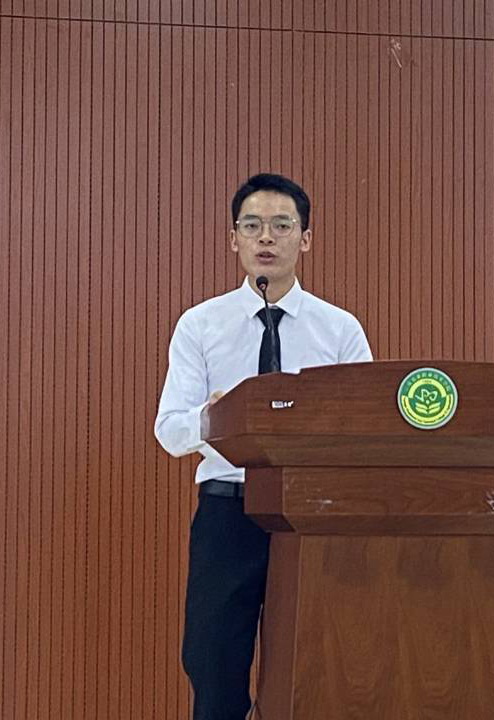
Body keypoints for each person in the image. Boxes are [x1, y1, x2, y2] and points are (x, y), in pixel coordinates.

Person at [154, 173, 372, 720]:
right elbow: (171, 431)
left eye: (281, 225)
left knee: (317, 663)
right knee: (212, 662)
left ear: (306, 238)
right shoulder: (200, 325)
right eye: (252, 226)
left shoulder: (339, 330)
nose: (266, 237)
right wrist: (220, 417)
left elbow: (366, 429)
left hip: (310, 515)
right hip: (228, 512)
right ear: (234, 239)